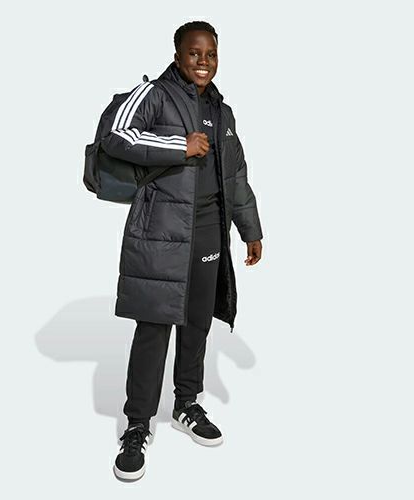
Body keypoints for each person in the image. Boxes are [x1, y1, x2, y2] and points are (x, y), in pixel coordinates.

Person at [104, 21, 264, 481]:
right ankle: (137, 424)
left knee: (196, 322)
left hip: (210, 232)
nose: (203, 62)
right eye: (194, 53)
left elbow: (235, 176)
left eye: (211, 54)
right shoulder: (155, 94)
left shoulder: (222, 111)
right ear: (177, 55)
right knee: (154, 327)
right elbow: (116, 134)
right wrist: (180, 144)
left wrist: (250, 229)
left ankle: (186, 403)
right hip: (162, 232)